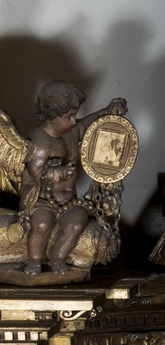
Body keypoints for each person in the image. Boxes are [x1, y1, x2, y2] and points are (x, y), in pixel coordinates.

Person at [21, 81, 127, 275]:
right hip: (41, 200)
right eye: (69, 117)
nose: (73, 121)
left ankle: (58, 257)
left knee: (77, 222)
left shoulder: (70, 132)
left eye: (74, 115)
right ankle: (34, 260)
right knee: (42, 223)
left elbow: (87, 124)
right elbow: (36, 171)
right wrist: (58, 173)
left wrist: (108, 111)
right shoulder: (40, 140)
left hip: (68, 201)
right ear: (51, 115)